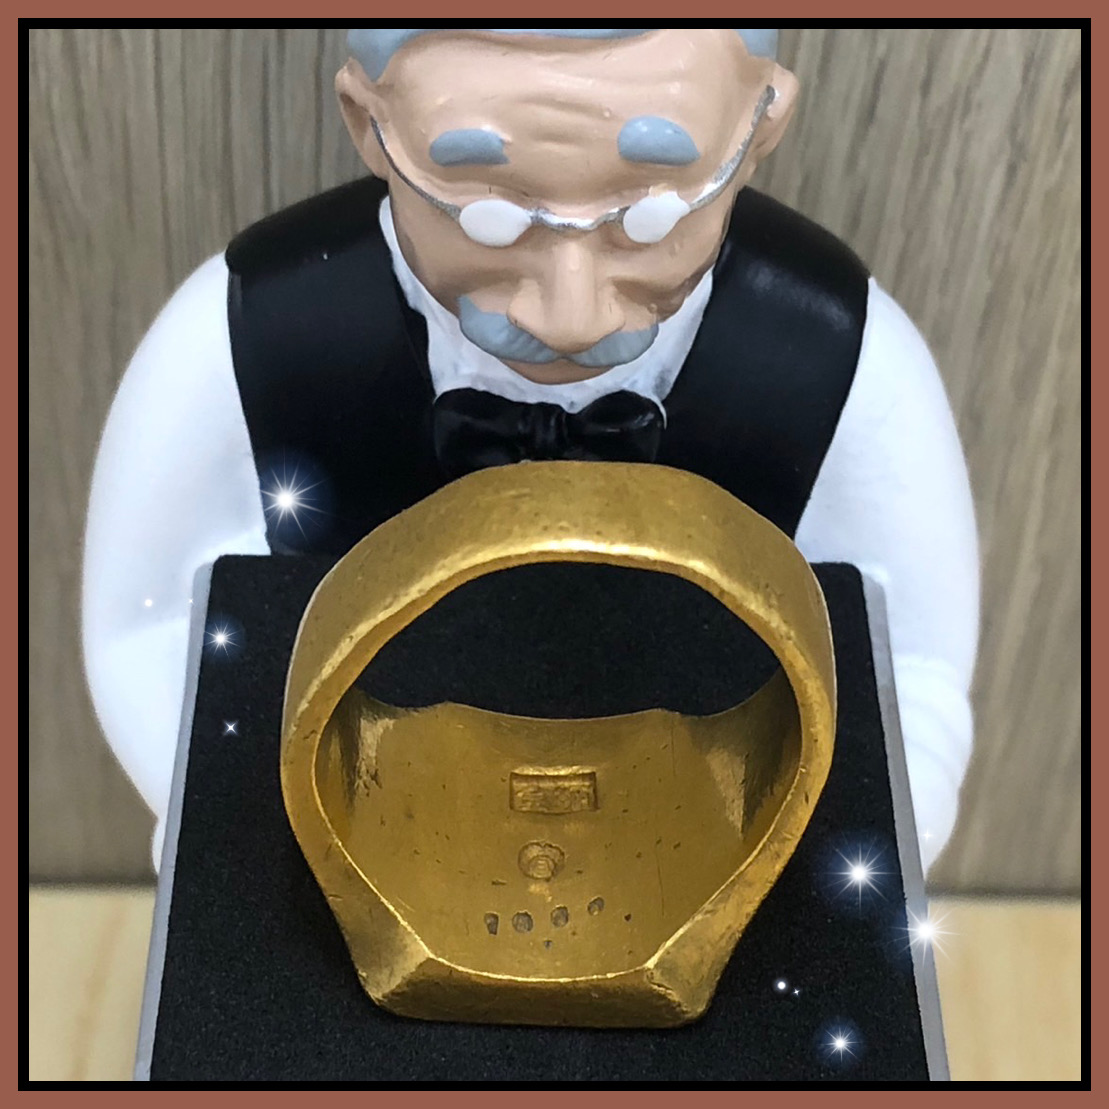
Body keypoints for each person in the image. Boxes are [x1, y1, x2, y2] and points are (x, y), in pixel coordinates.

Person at [82, 28, 979, 873]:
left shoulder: (840, 354)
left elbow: (913, 668)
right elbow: (144, 626)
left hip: (711, 837)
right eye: (487, 217)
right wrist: (244, 833)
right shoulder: (245, 333)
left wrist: (843, 848)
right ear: (367, 122)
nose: (569, 313)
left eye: (648, 217)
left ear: (762, 123)